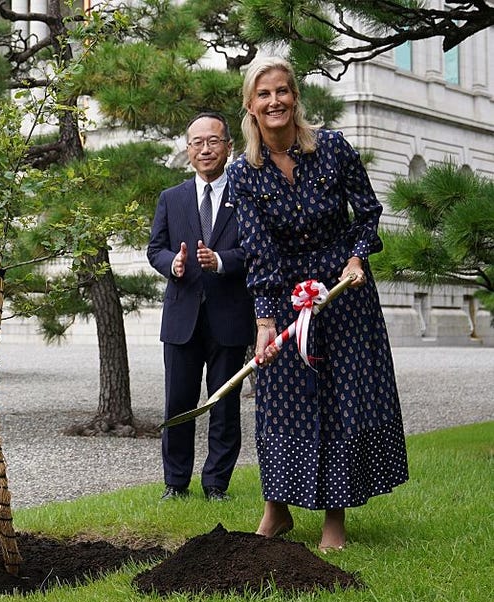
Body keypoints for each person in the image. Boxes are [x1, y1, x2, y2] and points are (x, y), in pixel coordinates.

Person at [228, 56, 408, 552]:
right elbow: (258, 250)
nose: (275, 101)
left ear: (295, 97)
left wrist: (356, 258)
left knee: (340, 400)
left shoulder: (330, 147)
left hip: (344, 296)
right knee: (279, 403)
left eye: (283, 91)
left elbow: (367, 213)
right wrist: (265, 321)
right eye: (264, 94)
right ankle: (277, 510)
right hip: (287, 299)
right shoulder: (243, 174)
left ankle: (335, 517)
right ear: (250, 105)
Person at [147, 112, 255, 502]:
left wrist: (222, 261)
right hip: (182, 317)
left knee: (223, 405)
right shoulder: (171, 198)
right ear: (188, 150)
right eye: (197, 142)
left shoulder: (246, 195)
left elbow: (257, 251)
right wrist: (171, 265)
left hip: (229, 315)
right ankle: (175, 483)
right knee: (178, 402)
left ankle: (216, 485)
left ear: (229, 147)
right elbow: (155, 248)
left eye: (213, 141)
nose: (205, 148)